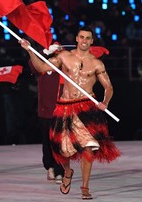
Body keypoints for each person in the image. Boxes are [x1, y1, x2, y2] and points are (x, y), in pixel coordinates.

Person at [19, 26, 120, 199]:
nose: (84, 41)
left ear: (92, 41)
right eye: (81, 37)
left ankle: (85, 187)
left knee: (89, 147)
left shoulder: (97, 63)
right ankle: (67, 172)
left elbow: (108, 87)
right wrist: (29, 50)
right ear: (76, 39)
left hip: (87, 107)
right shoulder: (64, 57)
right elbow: (42, 68)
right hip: (65, 106)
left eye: (88, 38)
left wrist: (105, 102)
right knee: (62, 150)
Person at [28, 49, 64, 184]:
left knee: (59, 142)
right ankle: (49, 167)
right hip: (44, 111)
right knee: (47, 141)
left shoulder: (64, 69)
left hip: (60, 111)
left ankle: (59, 170)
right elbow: (32, 65)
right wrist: (36, 51)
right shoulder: (41, 68)